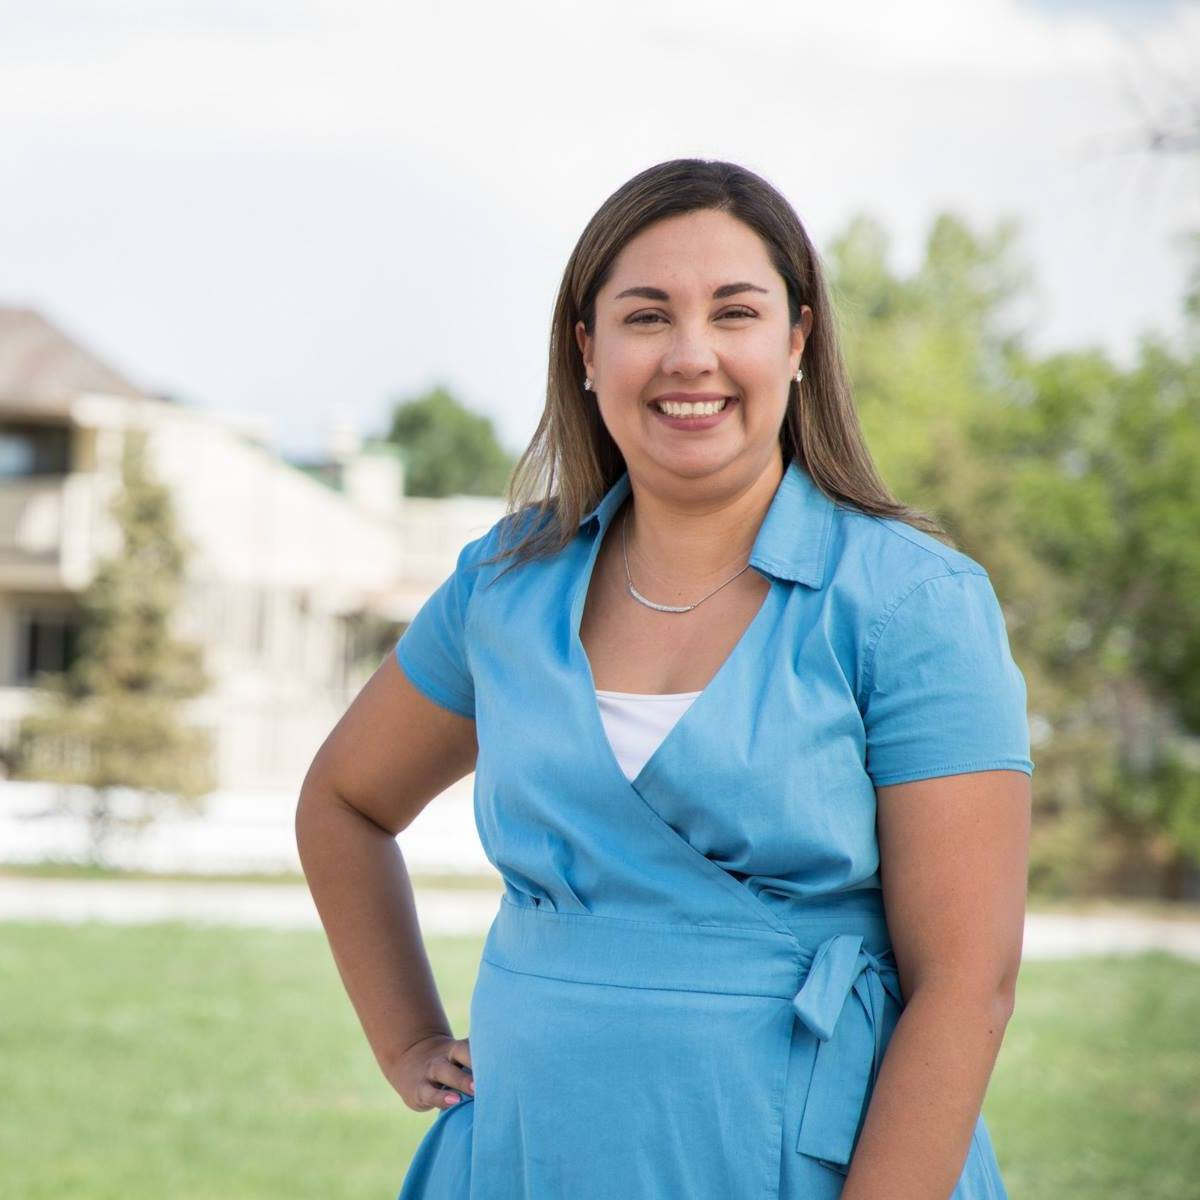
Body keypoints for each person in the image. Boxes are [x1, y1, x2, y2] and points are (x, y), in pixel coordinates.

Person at [296, 158, 1034, 1200]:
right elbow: (342, 802)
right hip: (521, 1160)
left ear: (798, 342)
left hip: (802, 1171)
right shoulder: (503, 589)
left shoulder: (913, 604)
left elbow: (968, 986)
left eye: (735, 312)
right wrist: (405, 1035)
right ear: (588, 353)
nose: (693, 356)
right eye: (647, 318)